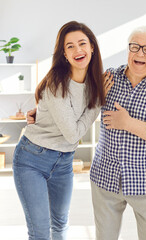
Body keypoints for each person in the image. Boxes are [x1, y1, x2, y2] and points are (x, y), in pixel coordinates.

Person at [13, 21, 112, 240]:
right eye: (70, 46)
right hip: (32, 160)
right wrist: (97, 103)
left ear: (92, 47)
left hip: (64, 161)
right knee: (40, 231)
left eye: (82, 43)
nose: (78, 50)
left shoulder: (95, 81)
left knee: (60, 224)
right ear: (64, 54)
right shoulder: (57, 83)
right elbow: (73, 133)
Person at [89, 26, 146, 240]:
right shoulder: (109, 77)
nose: (140, 53)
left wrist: (129, 123)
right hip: (105, 177)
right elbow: (83, 106)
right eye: (135, 47)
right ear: (128, 50)